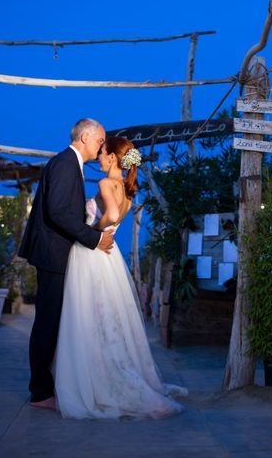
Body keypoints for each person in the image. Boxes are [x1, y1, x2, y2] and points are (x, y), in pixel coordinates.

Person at [54, 136, 186, 419]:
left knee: (90, 315)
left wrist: (92, 231)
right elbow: (118, 214)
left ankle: (100, 378)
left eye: (102, 153)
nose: (99, 158)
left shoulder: (104, 184)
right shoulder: (127, 190)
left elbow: (110, 214)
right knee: (107, 316)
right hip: (111, 257)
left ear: (113, 157)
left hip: (94, 252)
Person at [18, 118, 115, 410]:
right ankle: (40, 392)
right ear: (85, 137)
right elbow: (59, 212)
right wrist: (94, 239)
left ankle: (46, 387)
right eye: (99, 141)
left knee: (54, 321)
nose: (100, 148)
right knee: (47, 322)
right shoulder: (64, 164)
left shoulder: (70, 164)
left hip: (58, 253)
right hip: (53, 254)